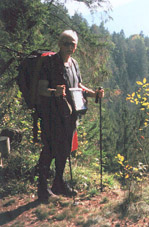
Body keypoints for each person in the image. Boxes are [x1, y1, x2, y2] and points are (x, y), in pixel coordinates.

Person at [36, 30, 104, 201]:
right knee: (49, 150)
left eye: (73, 44)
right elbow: (41, 89)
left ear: (76, 47)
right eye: (66, 43)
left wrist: (94, 94)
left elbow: (78, 86)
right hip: (52, 115)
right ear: (59, 44)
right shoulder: (50, 63)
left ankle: (58, 183)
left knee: (65, 149)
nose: (69, 47)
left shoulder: (74, 63)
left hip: (69, 114)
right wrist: (54, 92)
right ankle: (42, 188)